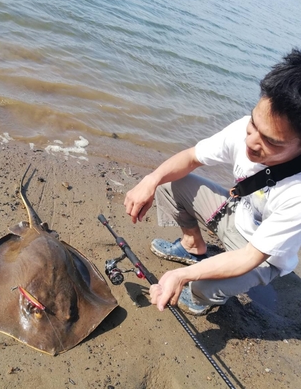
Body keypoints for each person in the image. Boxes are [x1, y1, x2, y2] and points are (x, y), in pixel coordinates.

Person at [124, 49, 301, 315]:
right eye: (254, 125)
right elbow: (191, 158)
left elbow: (249, 257)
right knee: (168, 181)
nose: (252, 142)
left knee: (201, 287)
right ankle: (192, 246)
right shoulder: (245, 130)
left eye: (271, 142)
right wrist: (150, 179)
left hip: (263, 257)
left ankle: (201, 298)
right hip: (234, 216)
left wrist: (182, 276)